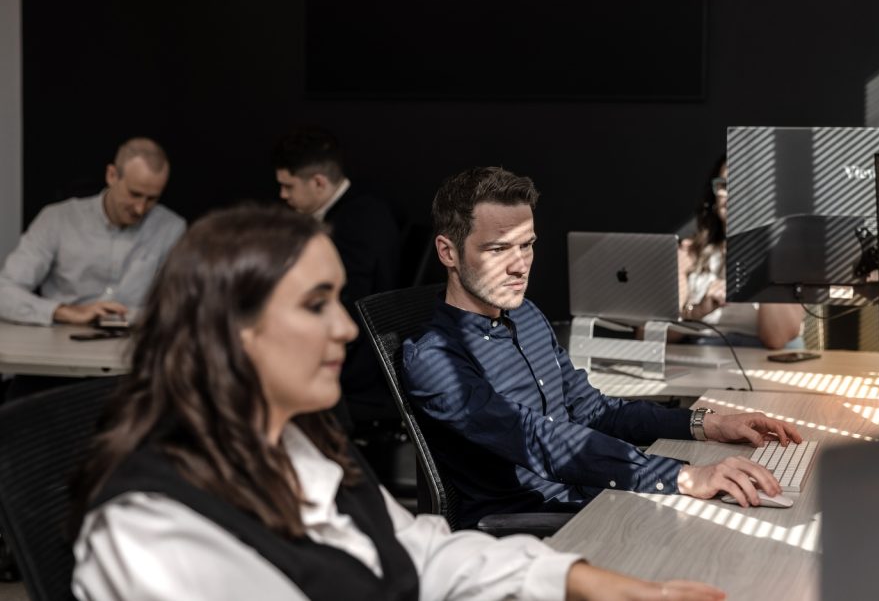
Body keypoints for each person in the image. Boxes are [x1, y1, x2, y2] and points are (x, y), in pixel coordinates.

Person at [71, 204, 725, 601]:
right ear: (232, 328)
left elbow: (418, 551)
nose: (345, 328)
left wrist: (582, 581)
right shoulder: (149, 529)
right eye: (315, 305)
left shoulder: (302, 446)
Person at [402, 167, 803, 531]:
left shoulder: (526, 315)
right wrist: (683, 476)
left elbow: (595, 411)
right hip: (537, 526)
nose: (520, 265)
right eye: (498, 249)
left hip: (592, 496)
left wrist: (708, 424)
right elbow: (539, 440)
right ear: (448, 252)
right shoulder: (434, 359)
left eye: (526, 245)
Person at [273, 127, 402, 434]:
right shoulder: (365, 209)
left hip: (360, 369)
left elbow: (350, 307)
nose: (283, 196)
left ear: (319, 182)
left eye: (288, 186)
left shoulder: (353, 225)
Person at [0, 137, 185, 327]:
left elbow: (184, 305)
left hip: (135, 341)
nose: (140, 208)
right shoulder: (57, 220)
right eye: (134, 194)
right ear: (112, 175)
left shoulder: (172, 229)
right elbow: (4, 291)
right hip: (61, 338)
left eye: (152, 199)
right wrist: (65, 312)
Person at [677, 154, 804, 349]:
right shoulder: (689, 251)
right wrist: (698, 311)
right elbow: (657, 331)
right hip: (701, 351)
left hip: (761, 355)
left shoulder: (785, 251)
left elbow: (776, 338)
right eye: (726, 186)